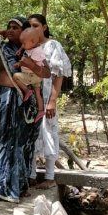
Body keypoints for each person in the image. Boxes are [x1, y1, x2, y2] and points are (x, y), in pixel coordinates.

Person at [0, 17, 49, 203]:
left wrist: (31, 65)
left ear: (24, 31)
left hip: (24, 99)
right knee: (4, 138)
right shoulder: (1, 47)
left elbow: (46, 73)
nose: (10, 30)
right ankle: (1, 184)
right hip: (4, 98)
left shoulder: (33, 51)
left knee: (20, 141)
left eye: (15, 28)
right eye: (8, 27)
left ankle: (18, 185)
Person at [25, 14, 71, 190]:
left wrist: (52, 100)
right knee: (31, 133)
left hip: (46, 96)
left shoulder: (52, 45)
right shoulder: (29, 46)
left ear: (44, 27)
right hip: (32, 98)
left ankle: (50, 176)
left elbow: (58, 75)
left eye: (36, 25)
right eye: (29, 26)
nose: (33, 28)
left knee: (49, 132)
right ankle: (31, 174)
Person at [13, 27, 47, 121]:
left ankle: (26, 90)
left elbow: (29, 63)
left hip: (33, 76)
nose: (22, 45)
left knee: (15, 77)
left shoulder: (37, 52)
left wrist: (19, 63)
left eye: (24, 44)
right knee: (37, 93)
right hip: (36, 77)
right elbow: (25, 44)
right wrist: (21, 49)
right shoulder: (32, 45)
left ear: (32, 42)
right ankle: (41, 110)